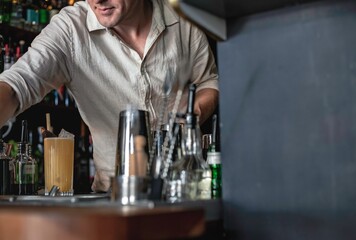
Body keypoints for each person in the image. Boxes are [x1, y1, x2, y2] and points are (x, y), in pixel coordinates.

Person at [0, 0, 219, 192]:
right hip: (113, 195)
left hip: (183, 188)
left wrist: (192, 115)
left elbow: (208, 82)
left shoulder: (181, 19)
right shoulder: (71, 29)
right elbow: (16, 84)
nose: (98, 0)